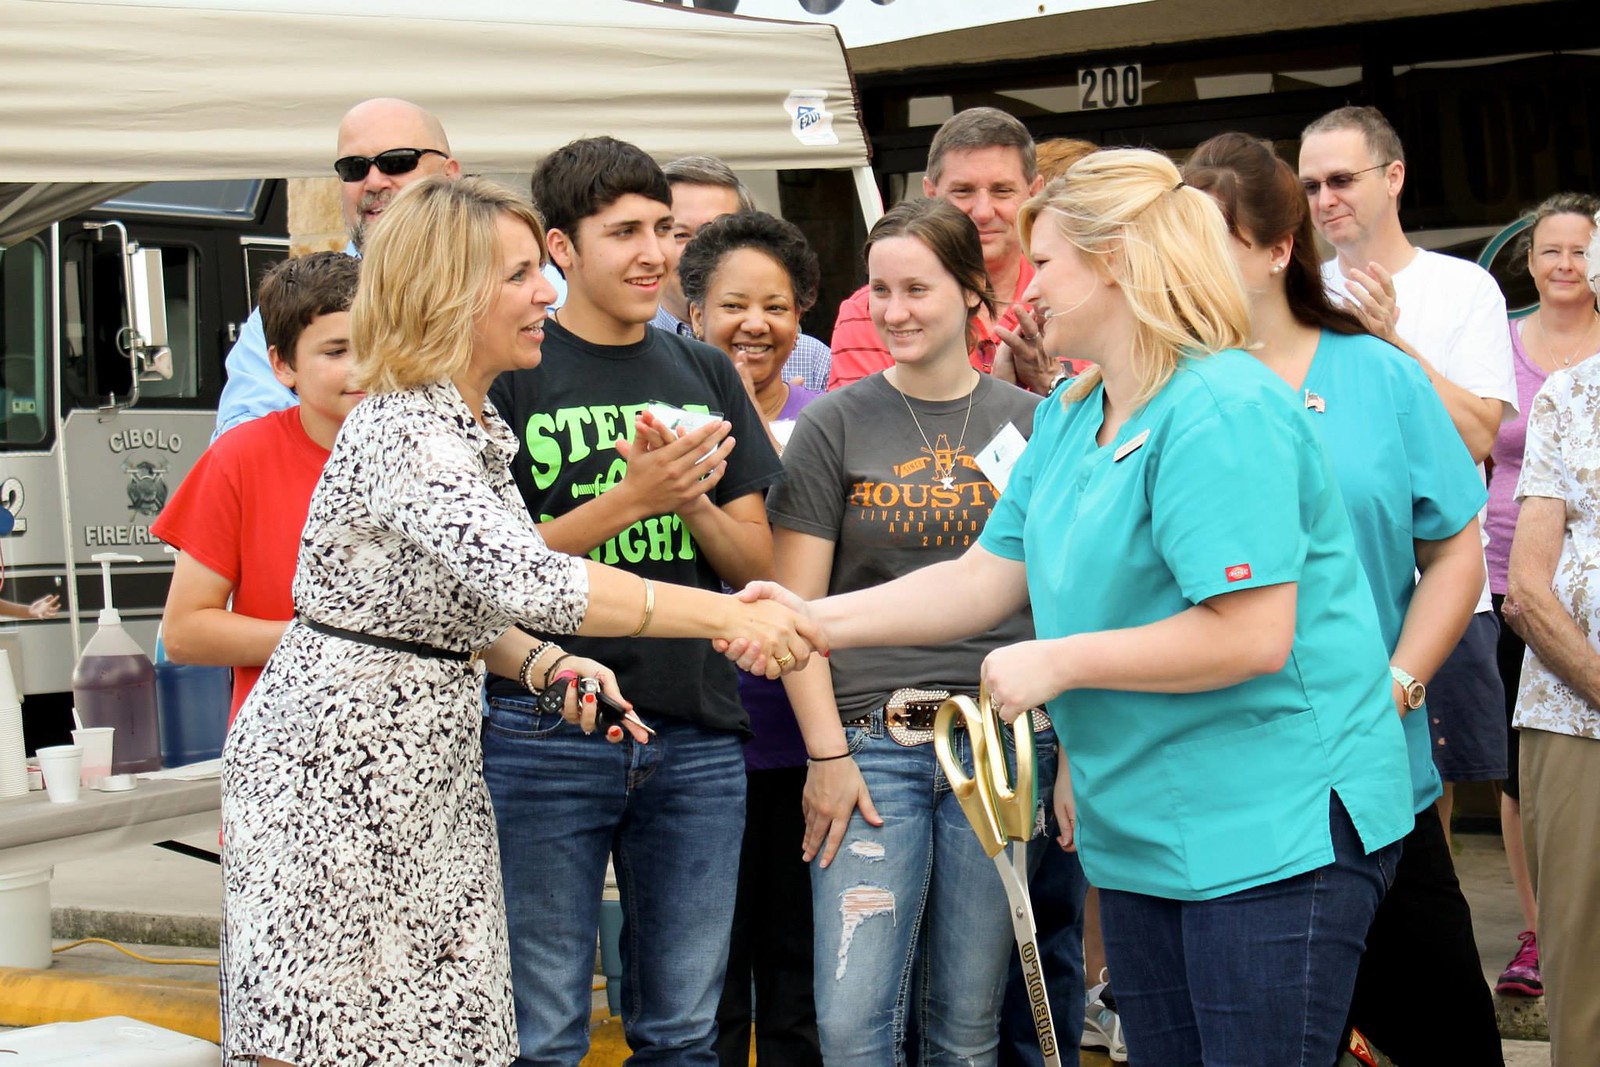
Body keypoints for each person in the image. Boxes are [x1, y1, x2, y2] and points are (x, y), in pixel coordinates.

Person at [734, 149, 1415, 1067]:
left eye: (1046, 262)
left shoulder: (1223, 407)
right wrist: (812, 620)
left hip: (1275, 826)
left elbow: (1253, 634)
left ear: (1118, 263)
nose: (1026, 288)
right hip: (1143, 827)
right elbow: (984, 576)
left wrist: (1058, 661)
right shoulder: (1069, 411)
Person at [218, 176, 817, 1067]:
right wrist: (731, 614)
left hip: (428, 766)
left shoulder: (472, 422)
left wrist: (545, 665)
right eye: (521, 274)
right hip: (338, 774)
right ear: (447, 292)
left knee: (448, 1035)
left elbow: (448, 603)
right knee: (322, 1036)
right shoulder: (407, 427)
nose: (547, 292)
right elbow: (531, 578)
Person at [1185, 132, 1493, 1065]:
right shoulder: (1164, 387)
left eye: (1209, 241)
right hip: (1227, 791)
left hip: (1373, 780)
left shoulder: (1378, 372)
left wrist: (1401, 681)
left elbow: (1457, 551)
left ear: (1279, 249)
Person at [484, 137, 785, 1067]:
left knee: (685, 1031)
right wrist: (631, 498)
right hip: (542, 726)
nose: (654, 253)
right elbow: (486, 568)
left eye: (661, 228)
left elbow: (755, 561)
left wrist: (686, 498)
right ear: (561, 248)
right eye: (624, 233)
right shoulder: (511, 371)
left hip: (696, 729)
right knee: (543, 1031)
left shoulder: (704, 371)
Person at [767, 197, 1055, 1066]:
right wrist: (825, 755)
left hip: (1002, 746)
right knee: (853, 1028)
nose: (893, 311)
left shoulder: (1037, 423)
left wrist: (1069, 752)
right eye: (879, 290)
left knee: (966, 1030)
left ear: (971, 291)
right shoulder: (833, 421)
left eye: (917, 289)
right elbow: (795, 612)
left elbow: (1061, 601)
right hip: (870, 745)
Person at [1300, 107, 1517, 857]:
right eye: (1310, 186)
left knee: (1427, 810)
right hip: (1331, 589)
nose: (1325, 199)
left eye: (1341, 179)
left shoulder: (1463, 288)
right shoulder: (1296, 292)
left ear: (1393, 177)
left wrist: (1390, 342)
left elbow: (1479, 436)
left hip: (1439, 587)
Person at [678, 210, 825, 1067]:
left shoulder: (830, 419)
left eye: (777, 306)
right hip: (696, 735)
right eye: (734, 305)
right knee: (707, 988)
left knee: (800, 978)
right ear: (693, 310)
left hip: (801, 738)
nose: (755, 325)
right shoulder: (658, 419)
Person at [154, 252, 360, 724]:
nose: (362, 367)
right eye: (336, 351)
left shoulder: (427, 452)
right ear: (282, 366)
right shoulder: (241, 458)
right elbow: (183, 632)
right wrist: (332, 643)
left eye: (376, 344)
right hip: (283, 745)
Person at [1487, 193, 1599, 999]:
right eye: (1550, 249)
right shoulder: (1539, 373)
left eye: (1578, 249)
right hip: (1512, 578)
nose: (1565, 263)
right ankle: (1536, 925)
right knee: (1517, 774)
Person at [212, 98, 460, 440]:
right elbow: (246, 443)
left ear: (450, 174)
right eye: (354, 168)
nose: (374, 182)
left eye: (397, 162)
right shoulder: (298, 305)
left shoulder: (510, 286)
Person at [828, 108, 1059, 393]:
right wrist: (999, 397)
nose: (983, 212)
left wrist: (1050, 382)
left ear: (1035, 193)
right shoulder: (872, 312)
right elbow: (867, 420)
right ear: (931, 193)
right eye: (963, 191)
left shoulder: (1071, 299)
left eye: (1002, 191)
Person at [655, 156, 832, 393]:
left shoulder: (814, 362)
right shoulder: (624, 349)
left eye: (717, 234)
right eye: (680, 235)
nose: (696, 251)